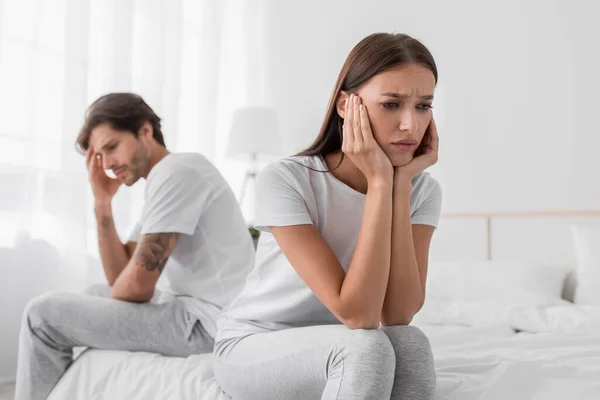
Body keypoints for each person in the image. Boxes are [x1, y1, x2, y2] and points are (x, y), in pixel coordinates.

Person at [213, 33, 442, 400]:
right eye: (391, 104)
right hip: (255, 343)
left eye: (423, 106)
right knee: (366, 347)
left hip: (345, 346)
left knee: (410, 342)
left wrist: (401, 186)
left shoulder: (423, 191)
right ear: (345, 106)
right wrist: (381, 183)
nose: (410, 126)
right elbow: (359, 317)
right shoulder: (286, 180)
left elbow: (397, 313)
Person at [14, 92, 255, 400]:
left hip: (207, 325)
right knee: (93, 294)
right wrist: (102, 202)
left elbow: (137, 285)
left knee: (41, 315)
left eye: (111, 147)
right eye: (99, 156)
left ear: (145, 130)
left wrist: (114, 300)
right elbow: (120, 276)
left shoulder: (178, 172)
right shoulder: (164, 181)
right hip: (188, 312)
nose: (108, 163)